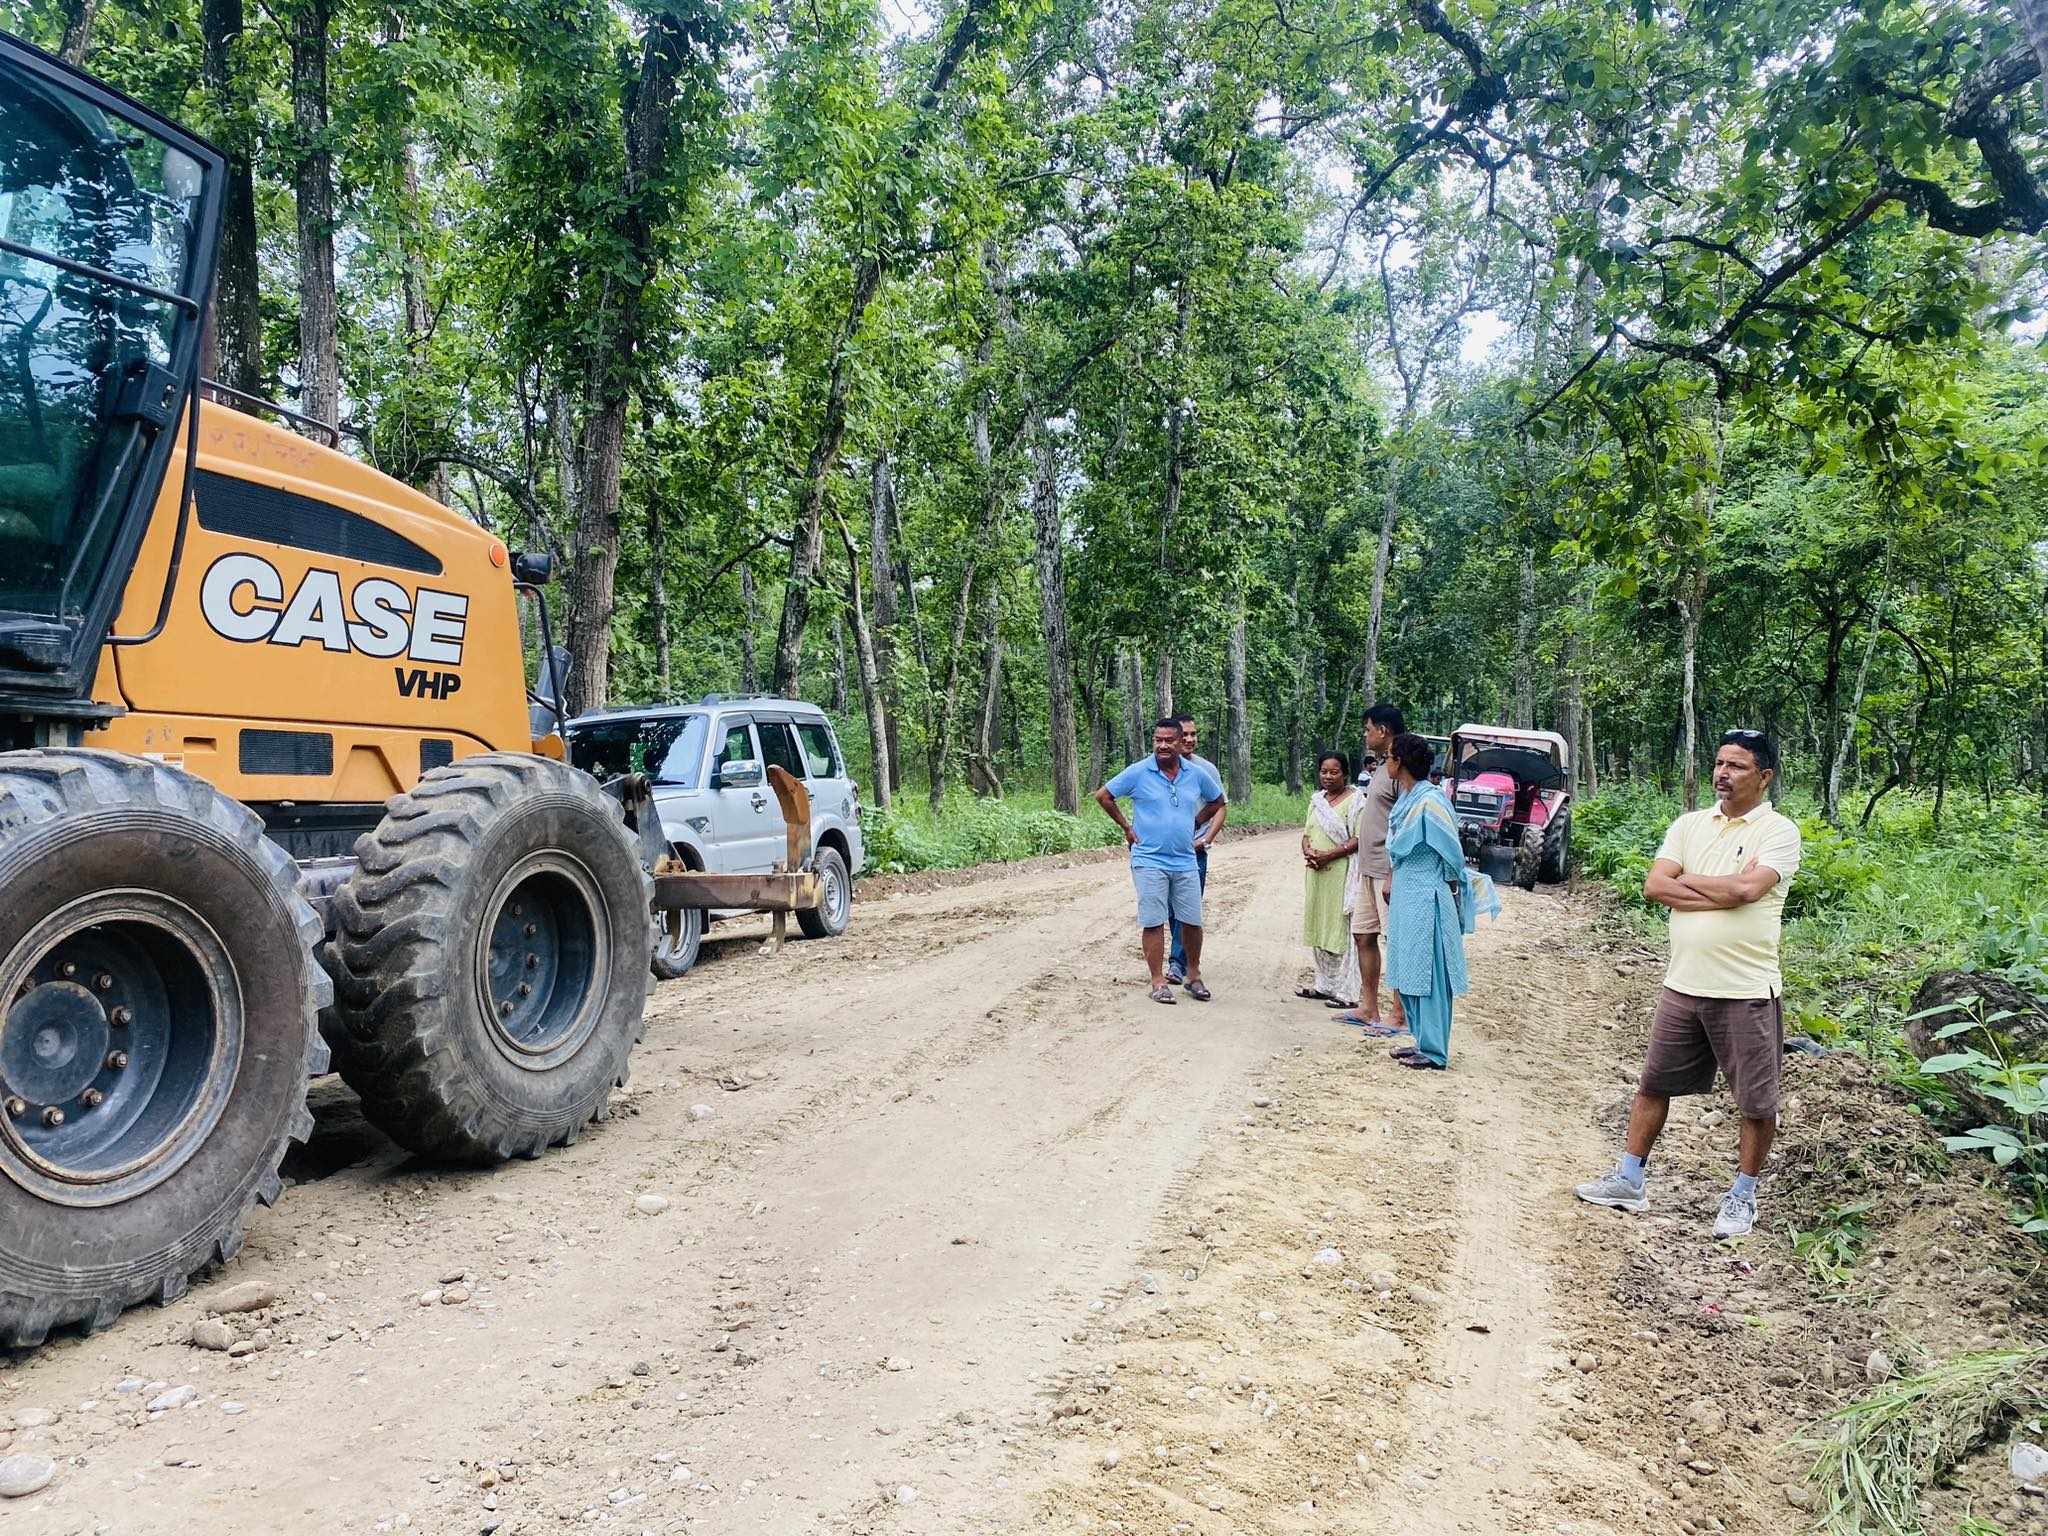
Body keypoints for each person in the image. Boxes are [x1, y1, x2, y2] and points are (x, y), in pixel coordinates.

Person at [1575, 730, 1803, 1238]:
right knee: (1653, 1084)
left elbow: (1749, 889)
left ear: (1764, 777)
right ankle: (1630, 1178)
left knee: (1756, 1102)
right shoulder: (1689, 824)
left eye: (1737, 766)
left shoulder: (1779, 832)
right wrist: (1725, 890)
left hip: (1745, 989)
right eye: (1719, 763)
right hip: (1683, 984)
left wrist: (1693, 882)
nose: (1723, 773)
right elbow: (1655, 886)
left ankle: (1743, 1196)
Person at [1382, 732, 1498, 1070]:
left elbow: (1451, 854)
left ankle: (1434, 1051)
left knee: (1430, 971)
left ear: (1400, 761)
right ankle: (1421, 1039)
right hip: (1407, 894)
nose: (1385, 762)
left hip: (1427, 895)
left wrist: (1448, 887)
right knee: (1408, 966)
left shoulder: (1431, 801)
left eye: (1389, 756)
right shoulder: (1407, 799)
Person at [1095, 719, 1227, 1005]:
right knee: (1154, 920)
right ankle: (1158, 981)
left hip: (1185, 859)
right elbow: (1104, 796)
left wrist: (1195, 822)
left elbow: (1218, 802)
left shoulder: (1196, 773)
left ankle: (1193, 975)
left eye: (1169, 740)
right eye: (1158, 740)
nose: (1163, 745)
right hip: (1149, 859)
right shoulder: (1139, 771)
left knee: (1191, 920)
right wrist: (1127, 828)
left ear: (1180, 743)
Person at [1332, 703, 1406, 1036]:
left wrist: (1394, 870)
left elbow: (1405, 819)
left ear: (1383, 730)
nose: (1365, 735)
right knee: (1363, 935)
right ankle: (1369, 1007)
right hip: (1368, 867)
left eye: (1368, 729)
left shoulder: (1400, 769)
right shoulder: (1381, 767)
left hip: (1387, 869)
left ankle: (1399, 1014)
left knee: (1396, 941)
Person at [1167, 714, 1228, 986]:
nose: (1190, 739)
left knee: (1188, 906)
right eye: (1185, 735)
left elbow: (1220, 806)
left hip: (1194, 851)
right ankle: (1179, 957)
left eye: (1194, 734)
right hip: (1164, 850)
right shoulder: (1157, 768)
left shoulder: (1206, 770)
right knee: (1169, 907)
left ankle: (1177, 963)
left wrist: (1205, 838)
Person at [1298, 751, 1362, 1006]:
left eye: (1334, 772)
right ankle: (1325, 985)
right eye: (1324, 771)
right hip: (1316, 874)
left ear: (1345, 774)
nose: (1328, 776)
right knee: (1320, 924)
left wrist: (1329, 855)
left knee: (1340, 928)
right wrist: (1309, 851)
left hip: (1341, 873)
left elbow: (1358, 838)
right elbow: (1307, 833)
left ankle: (1346, 991)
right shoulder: (1317, 801)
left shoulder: (1356, 800)